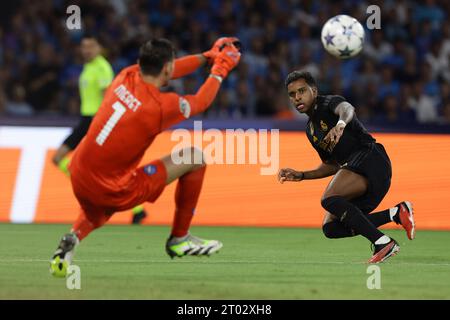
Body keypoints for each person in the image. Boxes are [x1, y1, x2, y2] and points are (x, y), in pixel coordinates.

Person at [50, 37, 241, 277]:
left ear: (140, 63)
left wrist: (206, 56)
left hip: (78, 173)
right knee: (196, 157)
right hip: (113, 189)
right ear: (167, 68)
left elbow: (170, 69)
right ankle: (179, 239)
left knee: (95, 210)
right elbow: (201, 102)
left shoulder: (124, 76)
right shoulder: (159, 107)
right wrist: (220, 67)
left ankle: (72, 239)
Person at [278, 71, 415, 263]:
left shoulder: (328, 103)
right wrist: (301, 175)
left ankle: (383, 243)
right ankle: (396, 213)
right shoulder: (311, 131)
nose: (297, 97)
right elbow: (332, 165)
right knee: (331, 228)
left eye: (302, 91)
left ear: (314, 91)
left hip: (371, 159)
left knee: (329, 199)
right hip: (359, 173)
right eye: (292, 94)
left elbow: (347, 108)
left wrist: (341, 124)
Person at [52, 35, 148, 224]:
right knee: (60, 159)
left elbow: (109, 97)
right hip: (86, 120)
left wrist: (108, 123)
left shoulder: (102, 67)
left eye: (91, 46)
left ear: (99, 48)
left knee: (106, 168)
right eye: (84, 46)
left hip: (97, 121)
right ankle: (100, 197)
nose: (87, 50)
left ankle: (135, 207)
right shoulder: (88, 67)